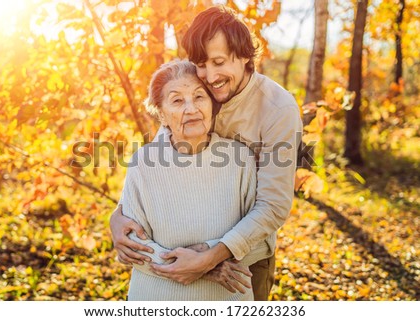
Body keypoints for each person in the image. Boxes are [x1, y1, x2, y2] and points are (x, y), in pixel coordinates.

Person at [110, 6, 303, 301]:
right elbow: (170, 137)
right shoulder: (201, 86)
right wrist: (119, 214)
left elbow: (273, 206)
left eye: (219, 62)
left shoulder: (278, 109)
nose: (210, 77)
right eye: (202, 64)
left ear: (244, 57)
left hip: (245, 258)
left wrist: (212, 258)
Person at [121, 59, 270, 300]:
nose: (191, 109)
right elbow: (131, 247)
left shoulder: (240, 158)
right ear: (162, 114)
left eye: (199, 97)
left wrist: (209, 258)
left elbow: (263, 240)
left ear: (212, 103)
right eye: (177, 100)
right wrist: (203, 268)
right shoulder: (143, 163)